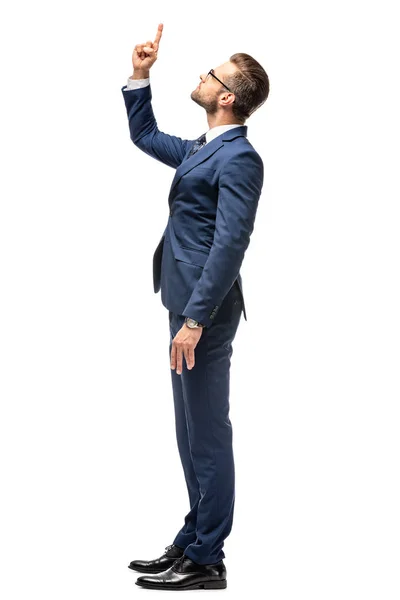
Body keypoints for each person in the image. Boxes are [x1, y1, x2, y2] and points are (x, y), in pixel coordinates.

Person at [121, 23, 269, 591]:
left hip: (202, 315)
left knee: (208, 434)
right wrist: (140, 75)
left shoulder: (239, 159)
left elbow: (231, 245)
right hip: (183, 305)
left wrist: (194, 321)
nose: (203, 77)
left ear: (227, 97)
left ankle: (209, 557)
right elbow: (145, 137)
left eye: (213, 75)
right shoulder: (202, 149)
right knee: (187, 432)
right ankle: (192, 535)